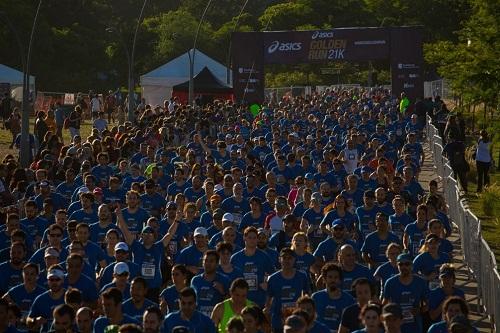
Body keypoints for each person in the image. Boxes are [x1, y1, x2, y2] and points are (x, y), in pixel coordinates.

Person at [265, 247, 310, 332]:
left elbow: (307, 296)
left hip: (297, 322)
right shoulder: (272, 278)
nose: (287, 260)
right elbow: (268, 302)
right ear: (279, 259)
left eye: (290, 258)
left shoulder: (302, 276)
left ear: (294, 260)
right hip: (278, 322)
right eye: (284, 258)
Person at [383, 253, 429, 333]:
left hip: (415, 326)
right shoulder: (390, 282)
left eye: (407, 264)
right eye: (400, 264)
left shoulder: (420, 282)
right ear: (397, 266)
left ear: (412, 266)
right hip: (396, 326)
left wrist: (419, 310)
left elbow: (428, 304)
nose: (403, 267)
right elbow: (384, 304)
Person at [312, 263, 356, 332]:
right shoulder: (315, 297)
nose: (333, 280)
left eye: (336, 277)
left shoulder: (349, 300)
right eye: (330, 277)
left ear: (340, 280)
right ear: (324, 279)